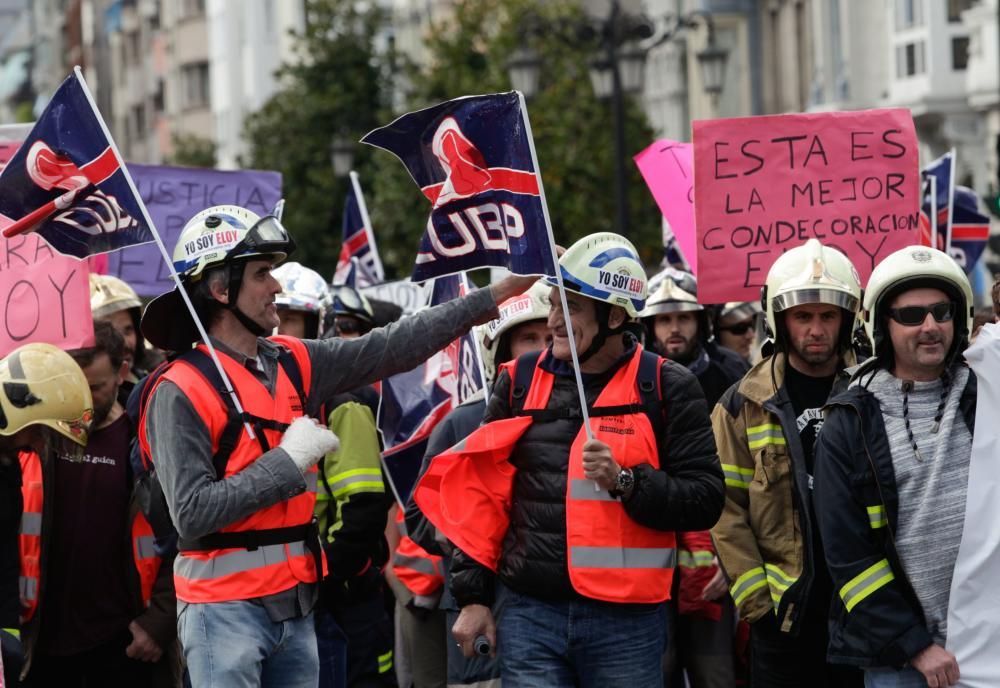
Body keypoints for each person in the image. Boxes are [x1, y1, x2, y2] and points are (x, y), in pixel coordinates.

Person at [137, 205, 534, 687]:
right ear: (221, 289)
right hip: (224, 614)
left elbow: (395, 345)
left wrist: (499, 293)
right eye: (263, 273)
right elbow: (192, 513)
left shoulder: (292, 361)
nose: (277, 287)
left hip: (297, 606)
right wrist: (288, 461)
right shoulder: (178, 388)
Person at [416, 232, 724, 686]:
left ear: (615, 315)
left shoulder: (666, 385)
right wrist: (472, 597)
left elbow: (704, 500)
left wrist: (626, 482)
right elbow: (482, 500)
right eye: (554, 304)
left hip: (629, 623)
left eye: (571, 307)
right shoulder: (518, 381)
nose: (555, 321)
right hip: (529, 616)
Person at [813, 246, 977, 688]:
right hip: (903, 661)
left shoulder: (988, 394)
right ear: (882, 326)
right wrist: (916, 644)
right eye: (911, 316)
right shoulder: (848, 425)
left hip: (988, 644)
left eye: (942, 312)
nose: (930, 327)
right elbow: (849, 559)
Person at [710, 238, 864, 687]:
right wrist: (757, 602)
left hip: (863, 612)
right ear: (779, 320)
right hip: (783, 620)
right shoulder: (741, 404)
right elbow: (726, 508)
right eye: (802, 316)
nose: (815, 329)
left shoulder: (875, 393)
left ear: (847, 319)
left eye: (827, 316)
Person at [402, 282, 551, 688]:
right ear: (501, 351)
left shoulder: (586, 417)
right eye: (529, 338)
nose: (542, 348)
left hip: (554, 610)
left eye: (552, 337)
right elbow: (419, 519)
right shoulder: (462, 424)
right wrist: (480, 532)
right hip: (480, 608)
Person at [19, 322, 180, 687]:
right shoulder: (33, 434)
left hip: (122, 646)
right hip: (39, 643)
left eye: (95, 387)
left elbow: (183, 534)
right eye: (72, 385)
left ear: (122, 371)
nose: (82, 399)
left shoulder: (146, 439)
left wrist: (159, 623)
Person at [273, 263, 396, 687]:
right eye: (275, 315)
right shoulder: (256, 400)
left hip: (338, 596)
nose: (280, 330)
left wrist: (323, 573)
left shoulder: (342, 405)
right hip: (285, 595)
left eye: (292, 319)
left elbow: (362, 508)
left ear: (316, 323)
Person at [640, 271, 747, 687]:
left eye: (683, 317)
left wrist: (734, 556)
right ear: (648, 326)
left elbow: (749, 474)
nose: (674, 329)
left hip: (715, 557)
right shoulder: (633, 378)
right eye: (663, 320)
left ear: (701, 321)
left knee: (716, 674)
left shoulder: (730, 374)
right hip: (652, 562)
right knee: (656, 672)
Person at [0, 343, 93, 688]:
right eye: (39, 431)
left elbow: (7, 562)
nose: (40, 445)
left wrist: (8, 633)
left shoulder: (9, 467)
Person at [90, 274, 153, 390]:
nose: (125, 343)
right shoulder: (94, 401)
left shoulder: (151, 381)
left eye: (128, 331)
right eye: (112, 334)